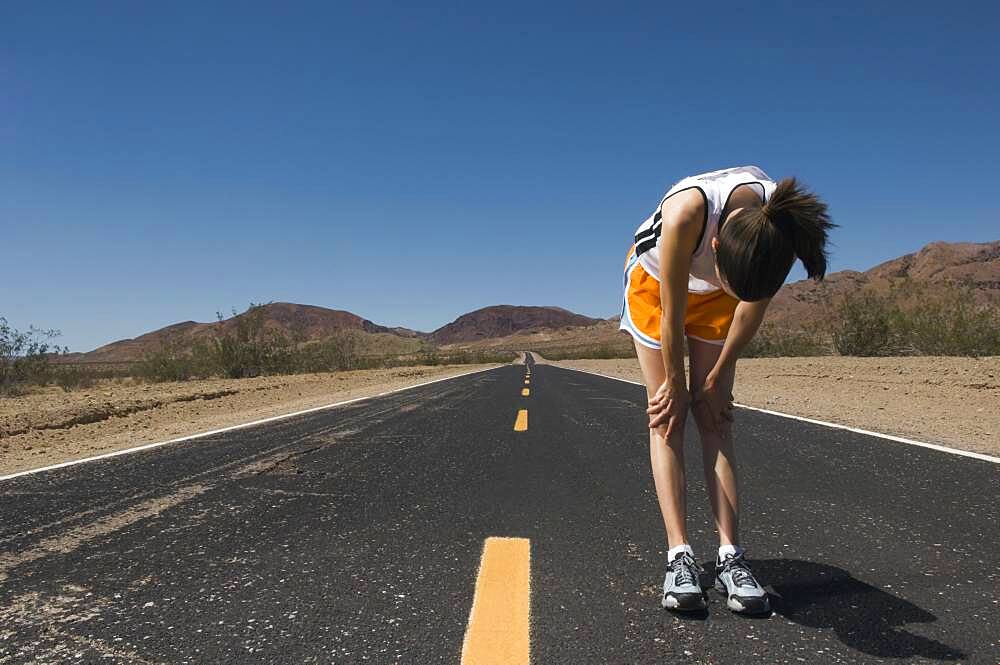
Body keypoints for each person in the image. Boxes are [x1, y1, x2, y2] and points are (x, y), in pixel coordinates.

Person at [619, 165, 834, 615]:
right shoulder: (687, 216)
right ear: (714, 246)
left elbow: (749, 309)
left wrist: (718, 379)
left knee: (716, 417)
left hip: (727, 285)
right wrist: (677, 385)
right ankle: (679, 556)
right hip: (657, 284)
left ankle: (730, 557)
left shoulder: (774, 233)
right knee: (668, 415)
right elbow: (671, 318)